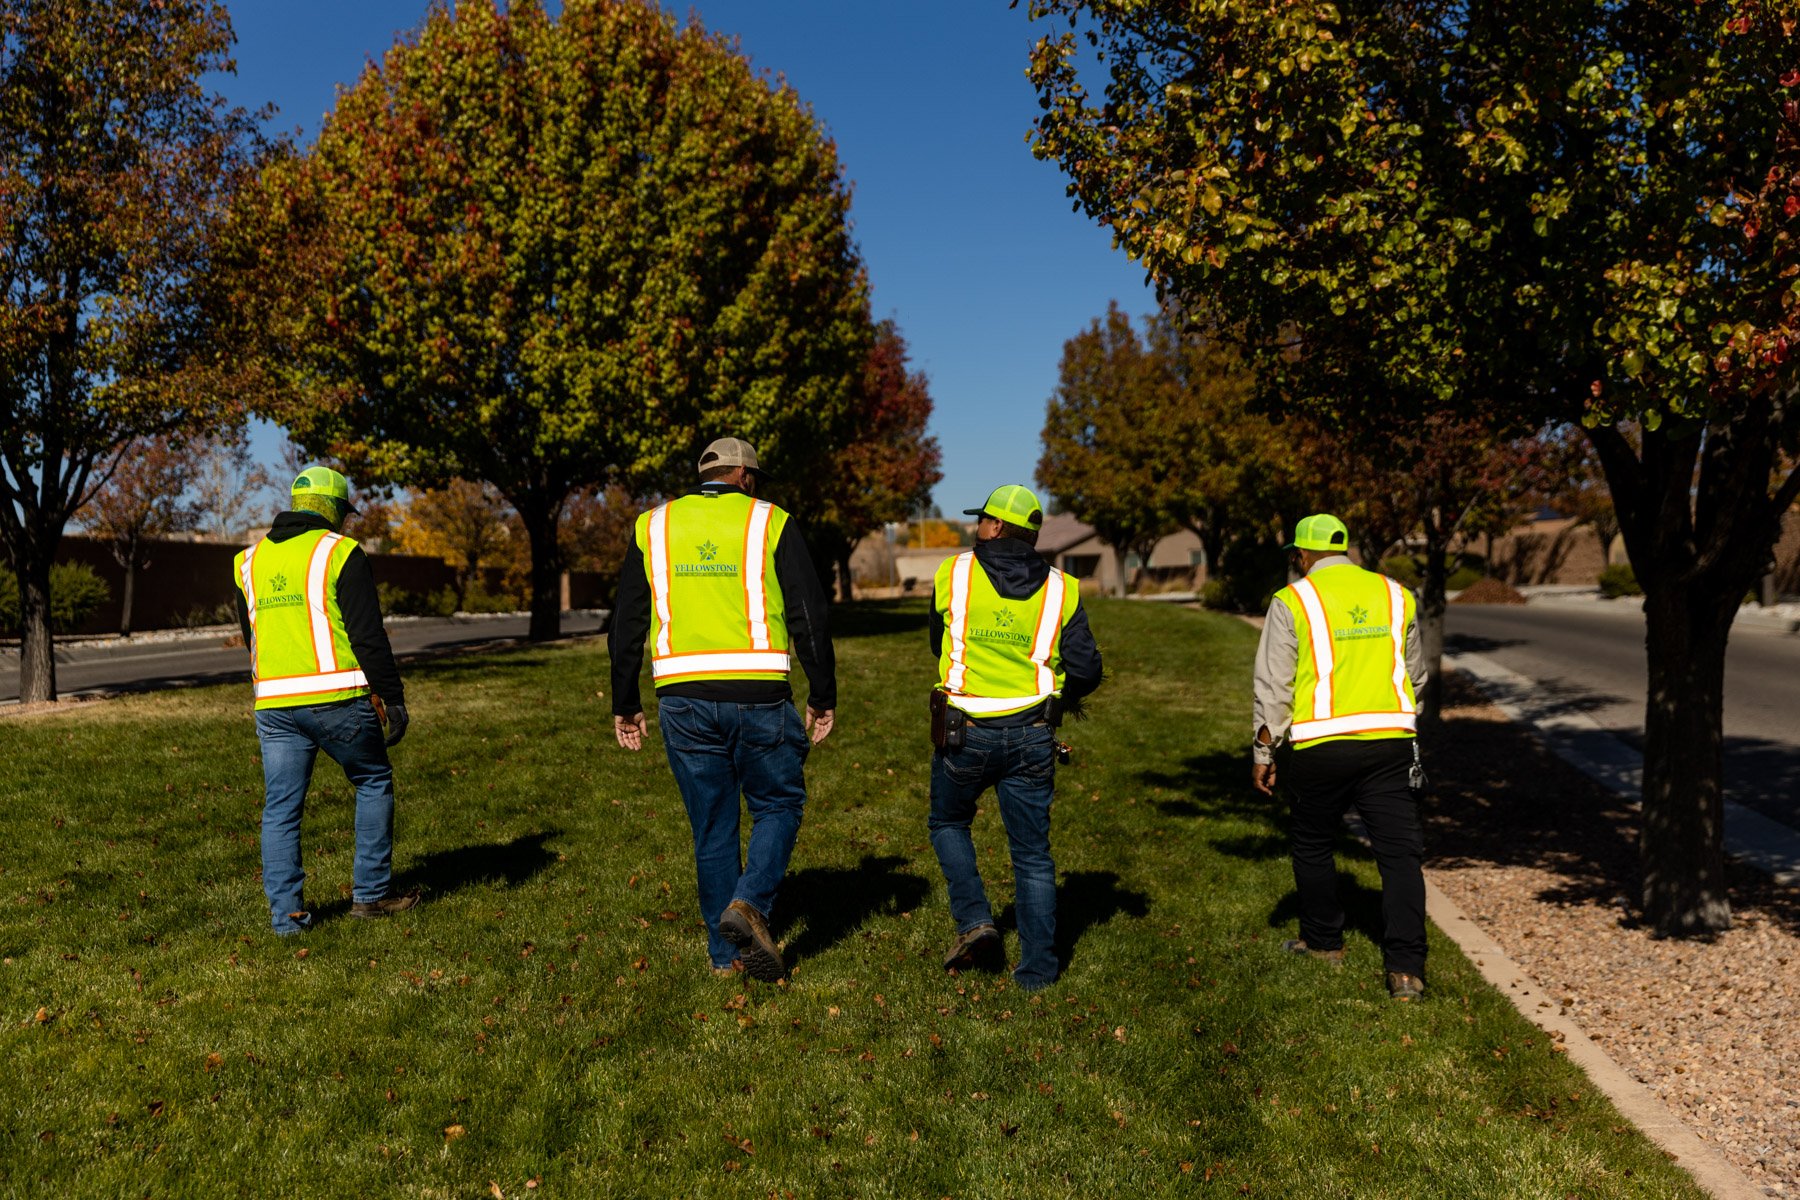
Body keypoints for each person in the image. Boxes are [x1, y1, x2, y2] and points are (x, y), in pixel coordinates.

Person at [609, 437, 837, 983]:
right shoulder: (771, 521)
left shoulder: (654, 526)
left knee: (712, 828)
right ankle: (750, 904)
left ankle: (724, 957)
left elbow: (626, 623)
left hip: (682, 699)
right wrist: (823, 692)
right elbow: (809, 611)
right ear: (747, 478)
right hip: (759, 694)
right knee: (779, 805)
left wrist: (624, 701)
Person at [926, 484, 1103, 992]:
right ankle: (1038, 971)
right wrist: (1061, 697)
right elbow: (1087, 667)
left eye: (981, 520)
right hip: (1031, 733)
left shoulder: (953, 573)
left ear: (997, 527)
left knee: (947, 822)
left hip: (965, 730)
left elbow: (936, 640)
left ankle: (976, 920)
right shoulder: (1063, 588)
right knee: (1032, 853)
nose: (975, 527)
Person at [1250, 513, 1429, 1001]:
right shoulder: (1396, 594)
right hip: (1390, 742)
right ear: (1345, 550)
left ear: (1302, 555)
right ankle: (1406, 971)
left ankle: (1325, 943)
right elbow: (1416, 675)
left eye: (1296, 556)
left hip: (1321, 745)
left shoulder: (1292, 600)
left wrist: (1265, 750)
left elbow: (1274, 686)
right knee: (1399, 856)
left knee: (1312, 842)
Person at [232, 466, 414, 935]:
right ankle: (371, 896)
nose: (347, 523)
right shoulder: (340, 552)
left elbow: (251, 635)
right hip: (337, 700)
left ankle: (287, 920)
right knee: (373, 780)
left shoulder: (248, 561)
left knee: (281, 809)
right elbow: (367, 634)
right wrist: (392, 697)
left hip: (273, 705)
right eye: (344, 513)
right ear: (333, 509)